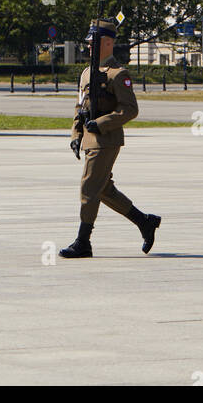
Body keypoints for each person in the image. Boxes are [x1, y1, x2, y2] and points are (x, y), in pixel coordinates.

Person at [59, 19, 161, 259]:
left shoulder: (118, 74)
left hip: (107, 139)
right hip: (89, 140)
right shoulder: (86, 73)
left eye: (94, 42)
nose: (90, 47)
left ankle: (83, 241)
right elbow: (79, 107)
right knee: (103, 190)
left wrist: (102, 123)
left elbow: (130, 109)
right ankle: (144, 221)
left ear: (107, 42)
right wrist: (76, 134)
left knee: (89, 186)